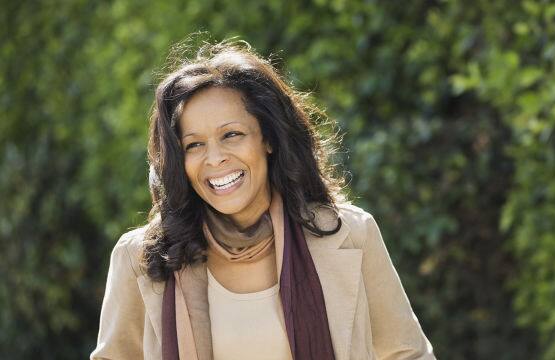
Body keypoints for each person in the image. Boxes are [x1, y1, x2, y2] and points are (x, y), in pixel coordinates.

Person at [90, 40, 436, 360]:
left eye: (232, 135)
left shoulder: (350, 235)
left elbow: (409, 354)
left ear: (268, 139)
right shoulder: (141, 259)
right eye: (194, 145)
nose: (215, 159)